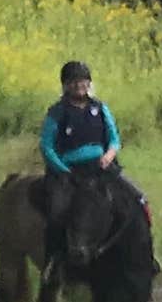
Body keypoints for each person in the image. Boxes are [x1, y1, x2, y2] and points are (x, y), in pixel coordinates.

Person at [38, 60, 119, 221]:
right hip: (69, 173)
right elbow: (47, 146)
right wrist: (64, 171)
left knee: (136, 199)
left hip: (100, 168)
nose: (78, 85)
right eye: (73, 81)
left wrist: (109, 156)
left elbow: (114, 138)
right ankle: (55, 246)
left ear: (89, 83)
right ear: (65, 85)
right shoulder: (57, 112)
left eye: (82, 80)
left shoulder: (100, 108)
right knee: (57, 213)